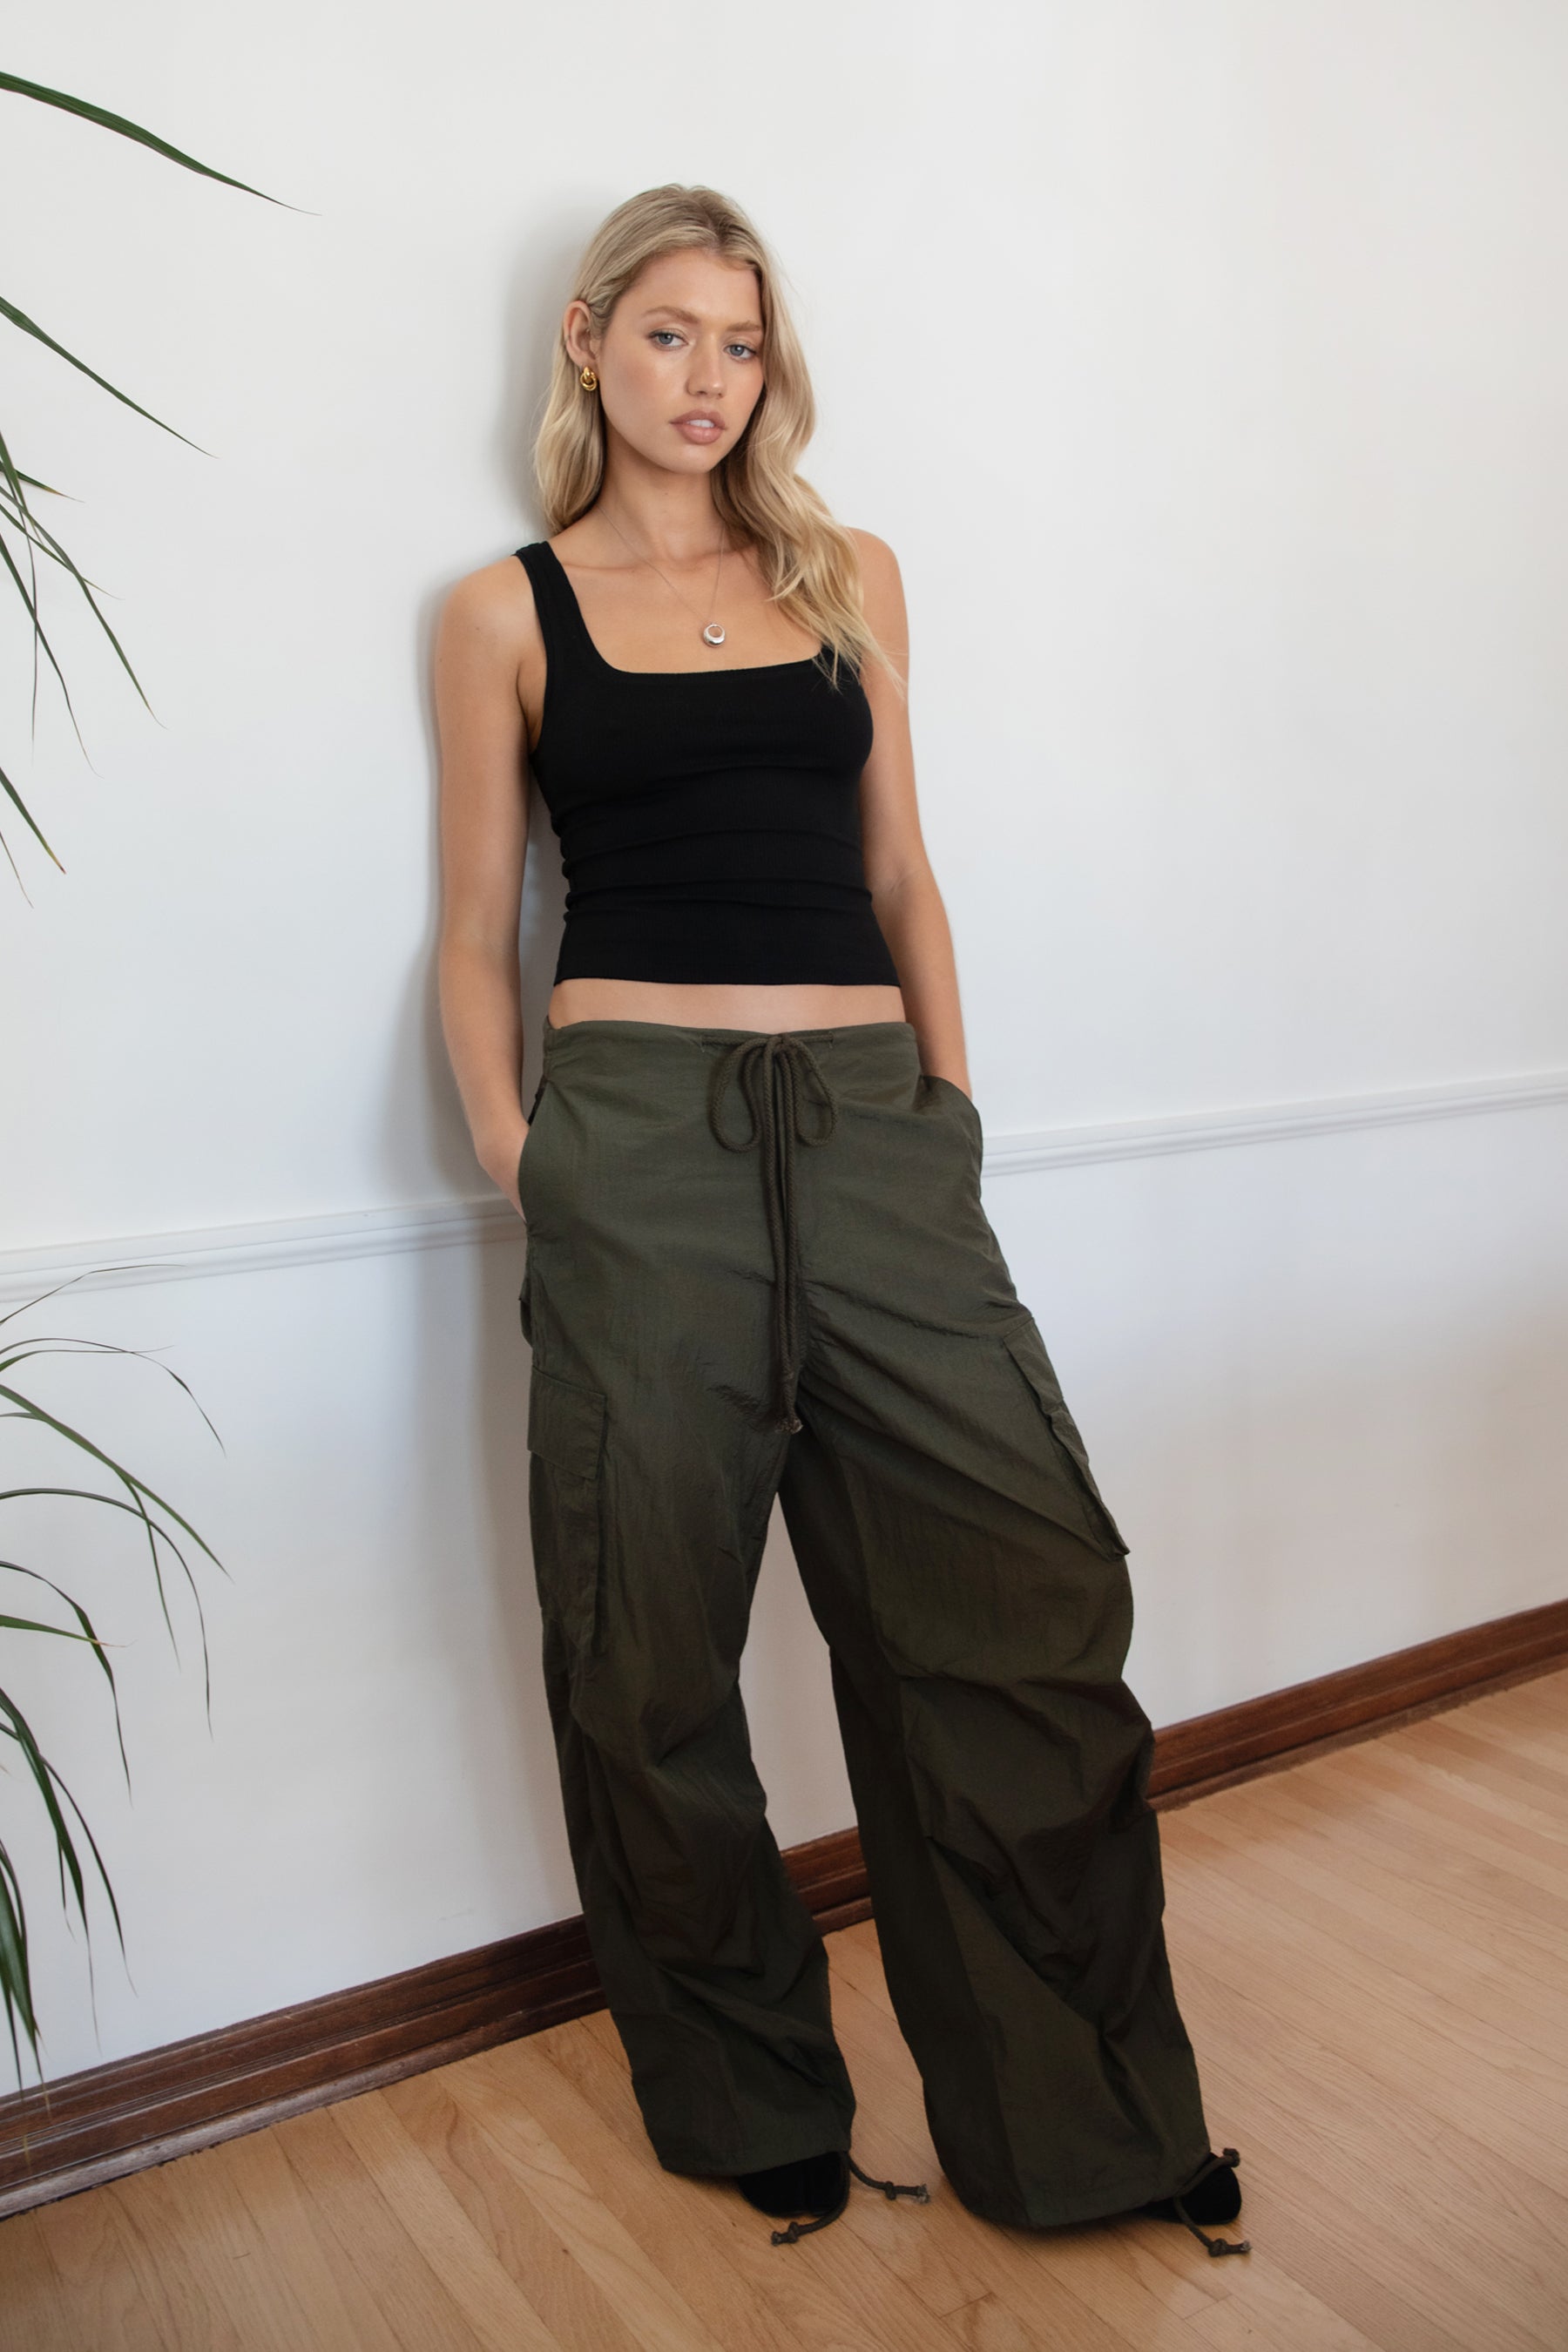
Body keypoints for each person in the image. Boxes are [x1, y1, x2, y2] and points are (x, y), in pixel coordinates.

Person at [434, 182, 1247, 2257]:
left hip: (880, 1134)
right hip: (639, 1141)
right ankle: (747, 2091)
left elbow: (905, 873)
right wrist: (534, 1159)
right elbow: (468, 931)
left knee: (1018, 1614)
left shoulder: (848, 572)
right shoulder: (505, 611)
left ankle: (1084, 2124)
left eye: (744, 343)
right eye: (673, 336)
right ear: (590, 345)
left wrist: (948, 1110)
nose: (710, 381)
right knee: (647, 1653)